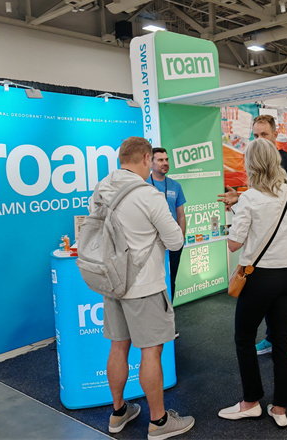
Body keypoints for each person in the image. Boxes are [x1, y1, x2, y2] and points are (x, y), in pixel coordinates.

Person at [218, 139, 287, 427]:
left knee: (244, 338)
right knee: (281, 339)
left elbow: (234, 244)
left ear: (251, 165)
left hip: (259, 278)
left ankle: (251, 402)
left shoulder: (250, 198)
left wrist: (233, 216)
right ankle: (280, 408)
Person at [94, 137, 194, 438]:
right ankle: (159, 422)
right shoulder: (148, 194)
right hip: (145, 285)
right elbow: (175, 241)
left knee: (118, 346)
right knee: (151, 351)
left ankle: (118, 413)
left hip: (113, 283)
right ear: (147, 159)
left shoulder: (101, 188)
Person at [218, 114, 287, 378]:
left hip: (284, 254)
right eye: (256, 135)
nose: (259, 140)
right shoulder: (257, 167)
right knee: (275, 307)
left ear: (275, 134)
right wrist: (241, 199)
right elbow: (263, 203)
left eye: (264, 135)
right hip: (263, 258)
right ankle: (272, 339)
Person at [147, 147, 187, 305]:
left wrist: (181, 238)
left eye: (166, 159)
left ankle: (170, 311)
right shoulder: (143, 185)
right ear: (151, 163)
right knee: (152, 281)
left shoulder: (175, 186)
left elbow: (181, 215)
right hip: (152, 244)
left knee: (171, 279)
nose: (165, 163)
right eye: (160, 160)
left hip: (172, 243)